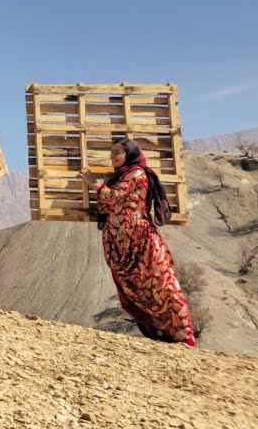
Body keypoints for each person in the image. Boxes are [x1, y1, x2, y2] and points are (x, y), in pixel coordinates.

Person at [81, 138, 196, 347]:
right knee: (133, 290)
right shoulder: (120, 175)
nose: (112, 156)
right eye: (111, 152)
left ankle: (182, 336)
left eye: (117, 152)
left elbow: (113, 197)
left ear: (129, 154)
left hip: (141, 242)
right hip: (121, 245)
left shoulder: (136, 173)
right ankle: (157, 335)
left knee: (160, 287)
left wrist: (93, 182)